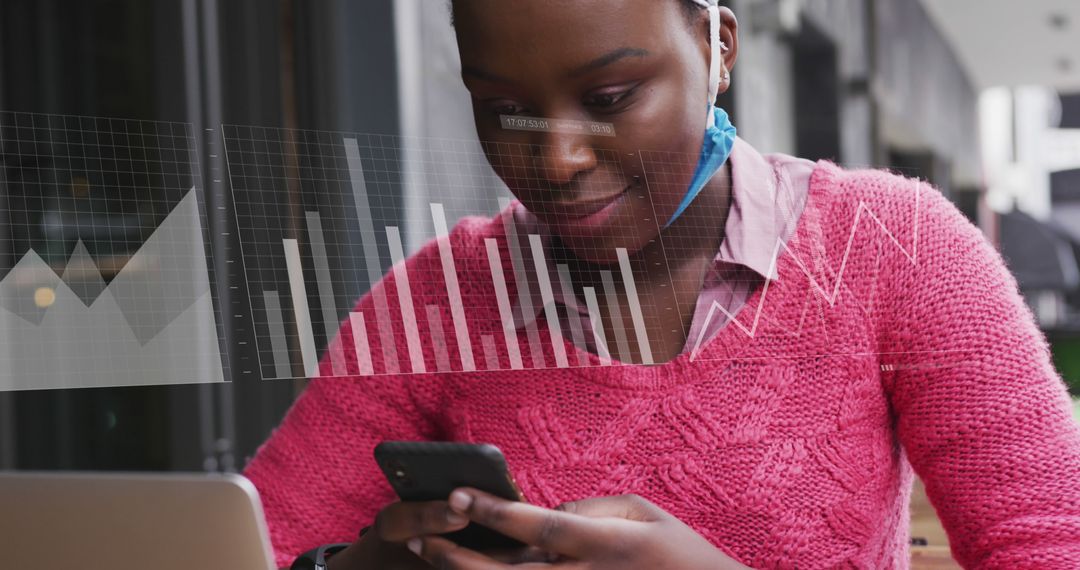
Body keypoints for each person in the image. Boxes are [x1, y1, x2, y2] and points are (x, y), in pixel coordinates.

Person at [244, 0, 1080, 568]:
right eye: (502, 108)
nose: (556, 159)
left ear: (717, 46)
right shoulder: (436, 302)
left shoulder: (894, 249)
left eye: (610, 96)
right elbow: (258, 544)